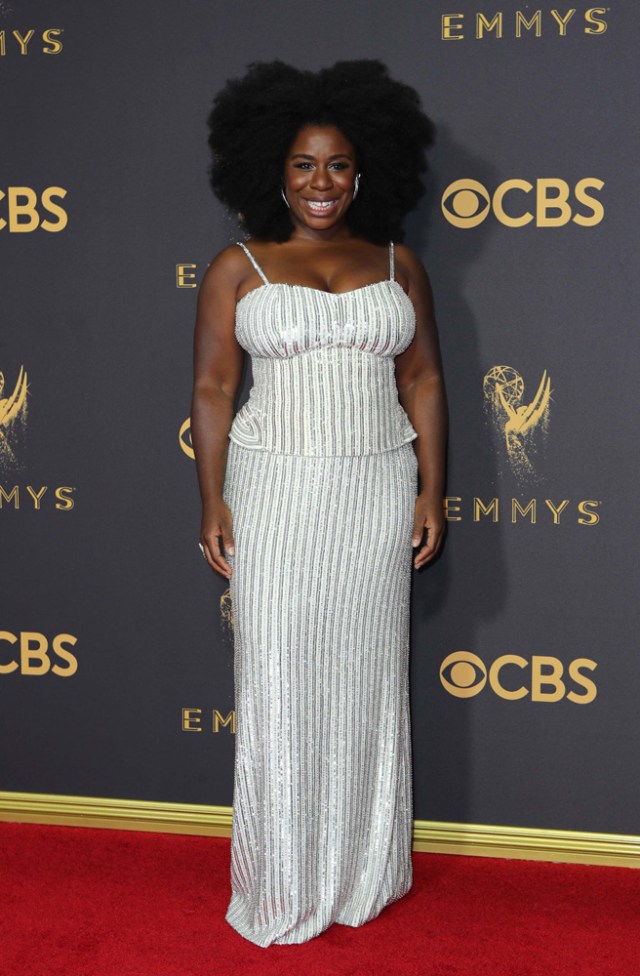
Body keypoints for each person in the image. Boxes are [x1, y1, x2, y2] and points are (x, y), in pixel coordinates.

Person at [190, 59, 448, 947]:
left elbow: (422, 380)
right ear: (275, 171)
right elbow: (216, 388)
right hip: (276, 491)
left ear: (364, 171)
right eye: (303, 164)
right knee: (278, 679)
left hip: (375, 489)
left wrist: (432, 489)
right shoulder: (239, 265)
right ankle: (283, 877)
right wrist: (213, 498)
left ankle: (362, 869)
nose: (321, 182)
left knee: (367, 679)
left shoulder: (396, 263)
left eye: (337, 164)